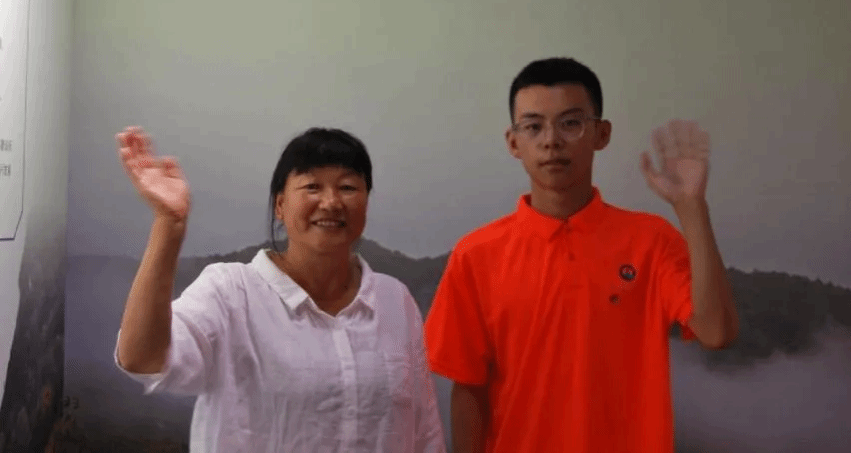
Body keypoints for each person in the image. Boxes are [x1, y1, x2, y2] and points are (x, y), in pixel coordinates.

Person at [424, 57, 739, 453]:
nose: (551, 140)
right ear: (513, 142)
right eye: (533, 126)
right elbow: (469, 389)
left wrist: (692, 208)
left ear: (601, 134)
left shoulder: (651, 241)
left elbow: (717, 332)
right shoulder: (475, 255)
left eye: (570, 123)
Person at [114, 125, 445, 452]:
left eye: (347, 187)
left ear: (366, 203)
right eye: (312, 186)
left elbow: (424, 432)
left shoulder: (394, 300)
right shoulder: (231, 293)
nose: (331, 202)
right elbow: (143, 358)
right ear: (280, 205)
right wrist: (169, 225)